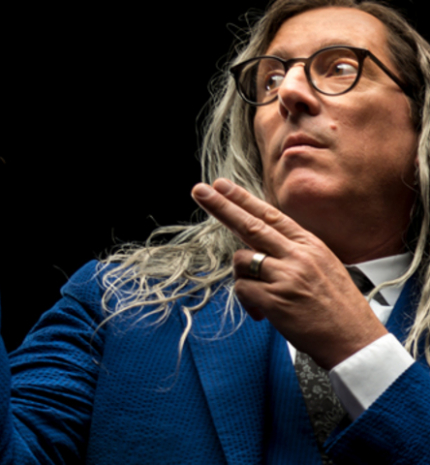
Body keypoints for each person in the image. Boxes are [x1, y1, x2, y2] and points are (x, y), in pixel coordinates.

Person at [1, 0, 429, 463]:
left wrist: (360, 349)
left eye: (340, 68)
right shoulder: (115, 303)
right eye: (270, 80)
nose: (288, 92)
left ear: (422, 115)